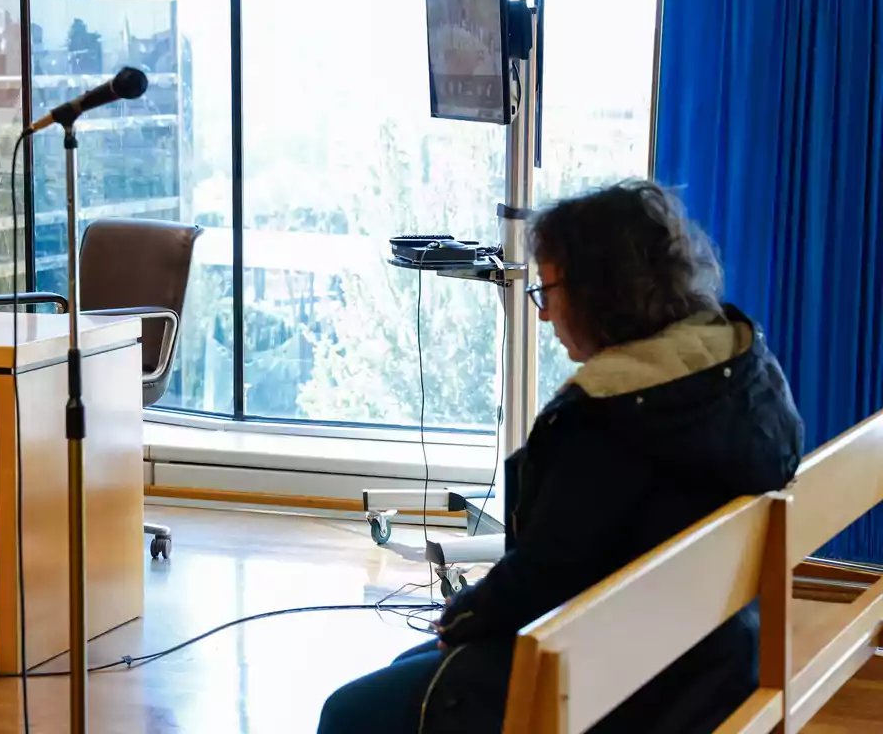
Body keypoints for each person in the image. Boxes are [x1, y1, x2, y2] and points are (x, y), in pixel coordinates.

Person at [318, 181, 804, 734]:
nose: (544, 316)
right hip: (716, 654)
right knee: (410, 667)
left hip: (624, 680)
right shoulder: (741, 371)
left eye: (547, 291)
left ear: (601, 291)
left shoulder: (604, 419)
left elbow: (543, 574)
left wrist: (461, 615)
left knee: (350, 712)